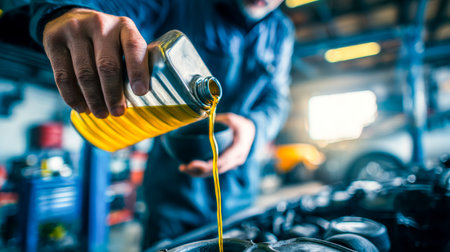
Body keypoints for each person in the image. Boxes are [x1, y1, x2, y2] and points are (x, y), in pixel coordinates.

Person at [28, 0, 294, 248]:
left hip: (240, 195)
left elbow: (276, 98)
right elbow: (112, 5)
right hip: (172, 196)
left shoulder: (282, 31)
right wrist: (67, 10)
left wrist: (254, 128)